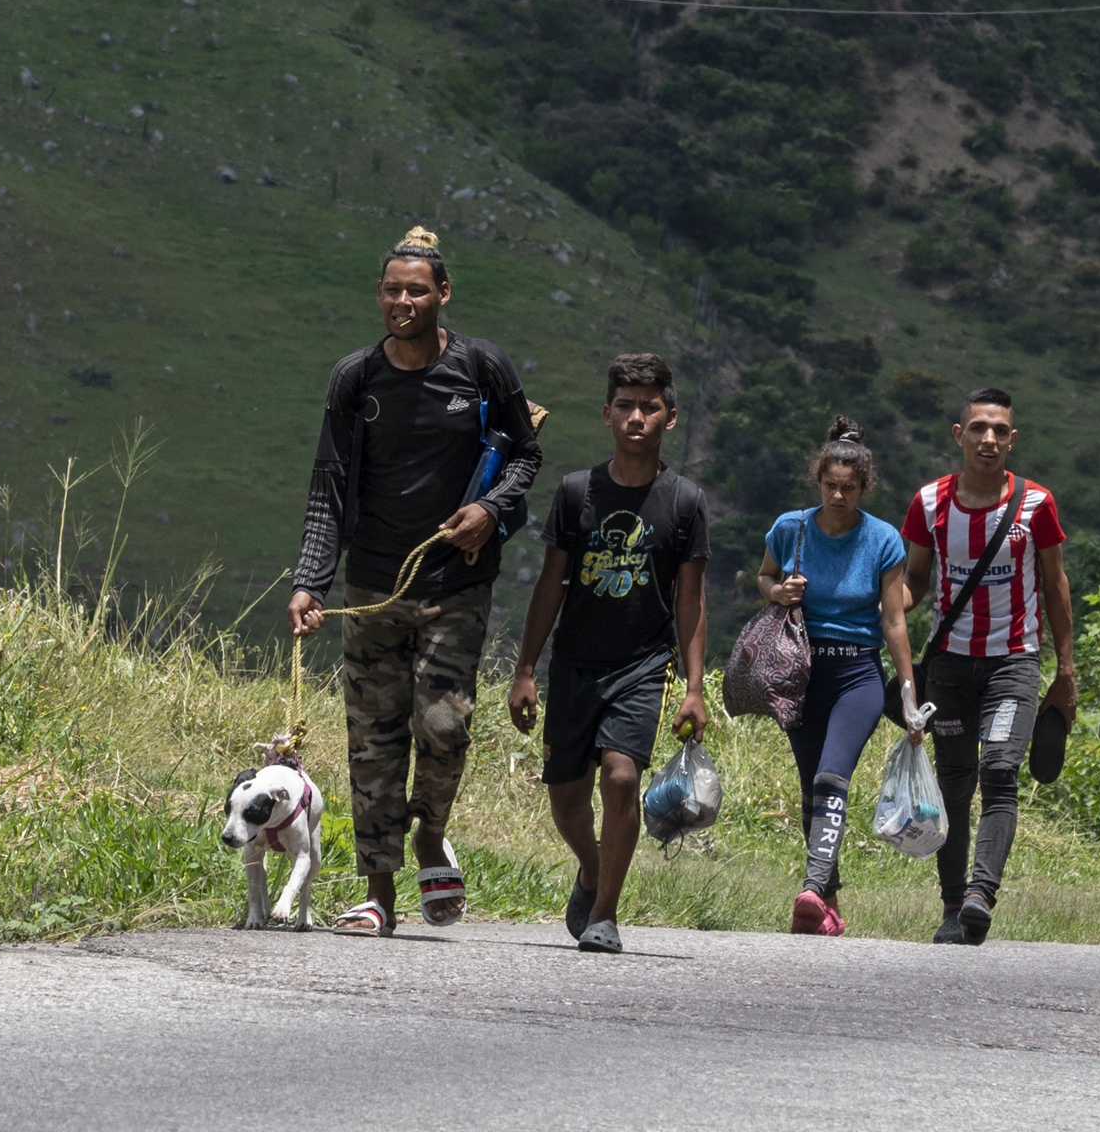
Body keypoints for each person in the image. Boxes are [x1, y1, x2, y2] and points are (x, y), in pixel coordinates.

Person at [288, 227, 542, 935]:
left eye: (418, 290)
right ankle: (379, 892)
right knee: (372, 739)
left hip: (455, 583)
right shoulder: (355, 379)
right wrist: (312, 580)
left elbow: (526, 453)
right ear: (379, 294)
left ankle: (431, 832)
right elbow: (328, 488)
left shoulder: (483, 368)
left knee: (443, 724)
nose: (404, 301)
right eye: (393, 290)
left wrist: (489, 511)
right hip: (371, 585)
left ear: (443, 293)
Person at [508, 353, 709, 954]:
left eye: (650, 406)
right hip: (574, 664)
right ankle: (592, 869)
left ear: (669, 418)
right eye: (625, 405)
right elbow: (551, 585)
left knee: (621, 779)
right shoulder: (576, 493)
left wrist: (695, 687)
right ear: (606, 414)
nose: (636, 417)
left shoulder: (684, 501)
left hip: (642, 665)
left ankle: (605, 913)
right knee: (567, 800)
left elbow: (691, 600)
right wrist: (524, 670)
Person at [901, 386, 1074, 945]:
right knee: (953, 781)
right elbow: (916, 581)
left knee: (1000, 772)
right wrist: (884, 609)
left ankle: (981, 893)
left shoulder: (1035, 505)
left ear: (1013, 438)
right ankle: (953, 908)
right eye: (978, 428)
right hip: (949, 664)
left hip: (1014, 663)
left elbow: (1055, 586)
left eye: (1000, 430)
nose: (989, 439)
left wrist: (1065, 672)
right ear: (960, 435)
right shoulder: (929, 503)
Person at [755, 418, 919, 937]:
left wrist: (909, 697)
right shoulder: (791, 528)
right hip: (801, 670)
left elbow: (894, 621)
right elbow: (765, 576)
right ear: (818, 482)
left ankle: (809, 885)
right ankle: (826, 901)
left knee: (832, 777)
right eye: (831, 486)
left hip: (857, 675)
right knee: (812, 787)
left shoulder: (883, 540)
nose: (839, 495)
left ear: (864, 487)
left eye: (849, 488)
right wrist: (779, 593)